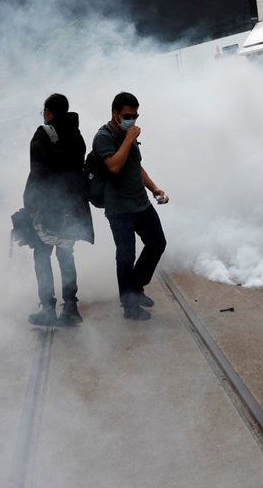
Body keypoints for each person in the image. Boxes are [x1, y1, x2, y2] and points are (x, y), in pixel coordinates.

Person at [92, 92, 168, 320]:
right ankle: (129, 306)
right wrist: (127, 139)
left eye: (135, 116)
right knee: (126, 256)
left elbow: (137, 167)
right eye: (127, 115)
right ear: (115, 113)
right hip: (120, 208)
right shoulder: (103, 137)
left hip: (140, 203)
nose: (132, 120)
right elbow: (114, 166)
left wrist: (155, 189)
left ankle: (136, 287)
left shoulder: (129, 134)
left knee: (157, 243)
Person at [22, 93, 94, 327]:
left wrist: (29, 205)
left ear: (50, 112)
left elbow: (37, 173)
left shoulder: (43, 135)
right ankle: (71, 308)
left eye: (45, 111)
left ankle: (48, 309)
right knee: (66, 254)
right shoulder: (77, 133)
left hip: (48, 207)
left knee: (42, 255)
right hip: (72, 207)